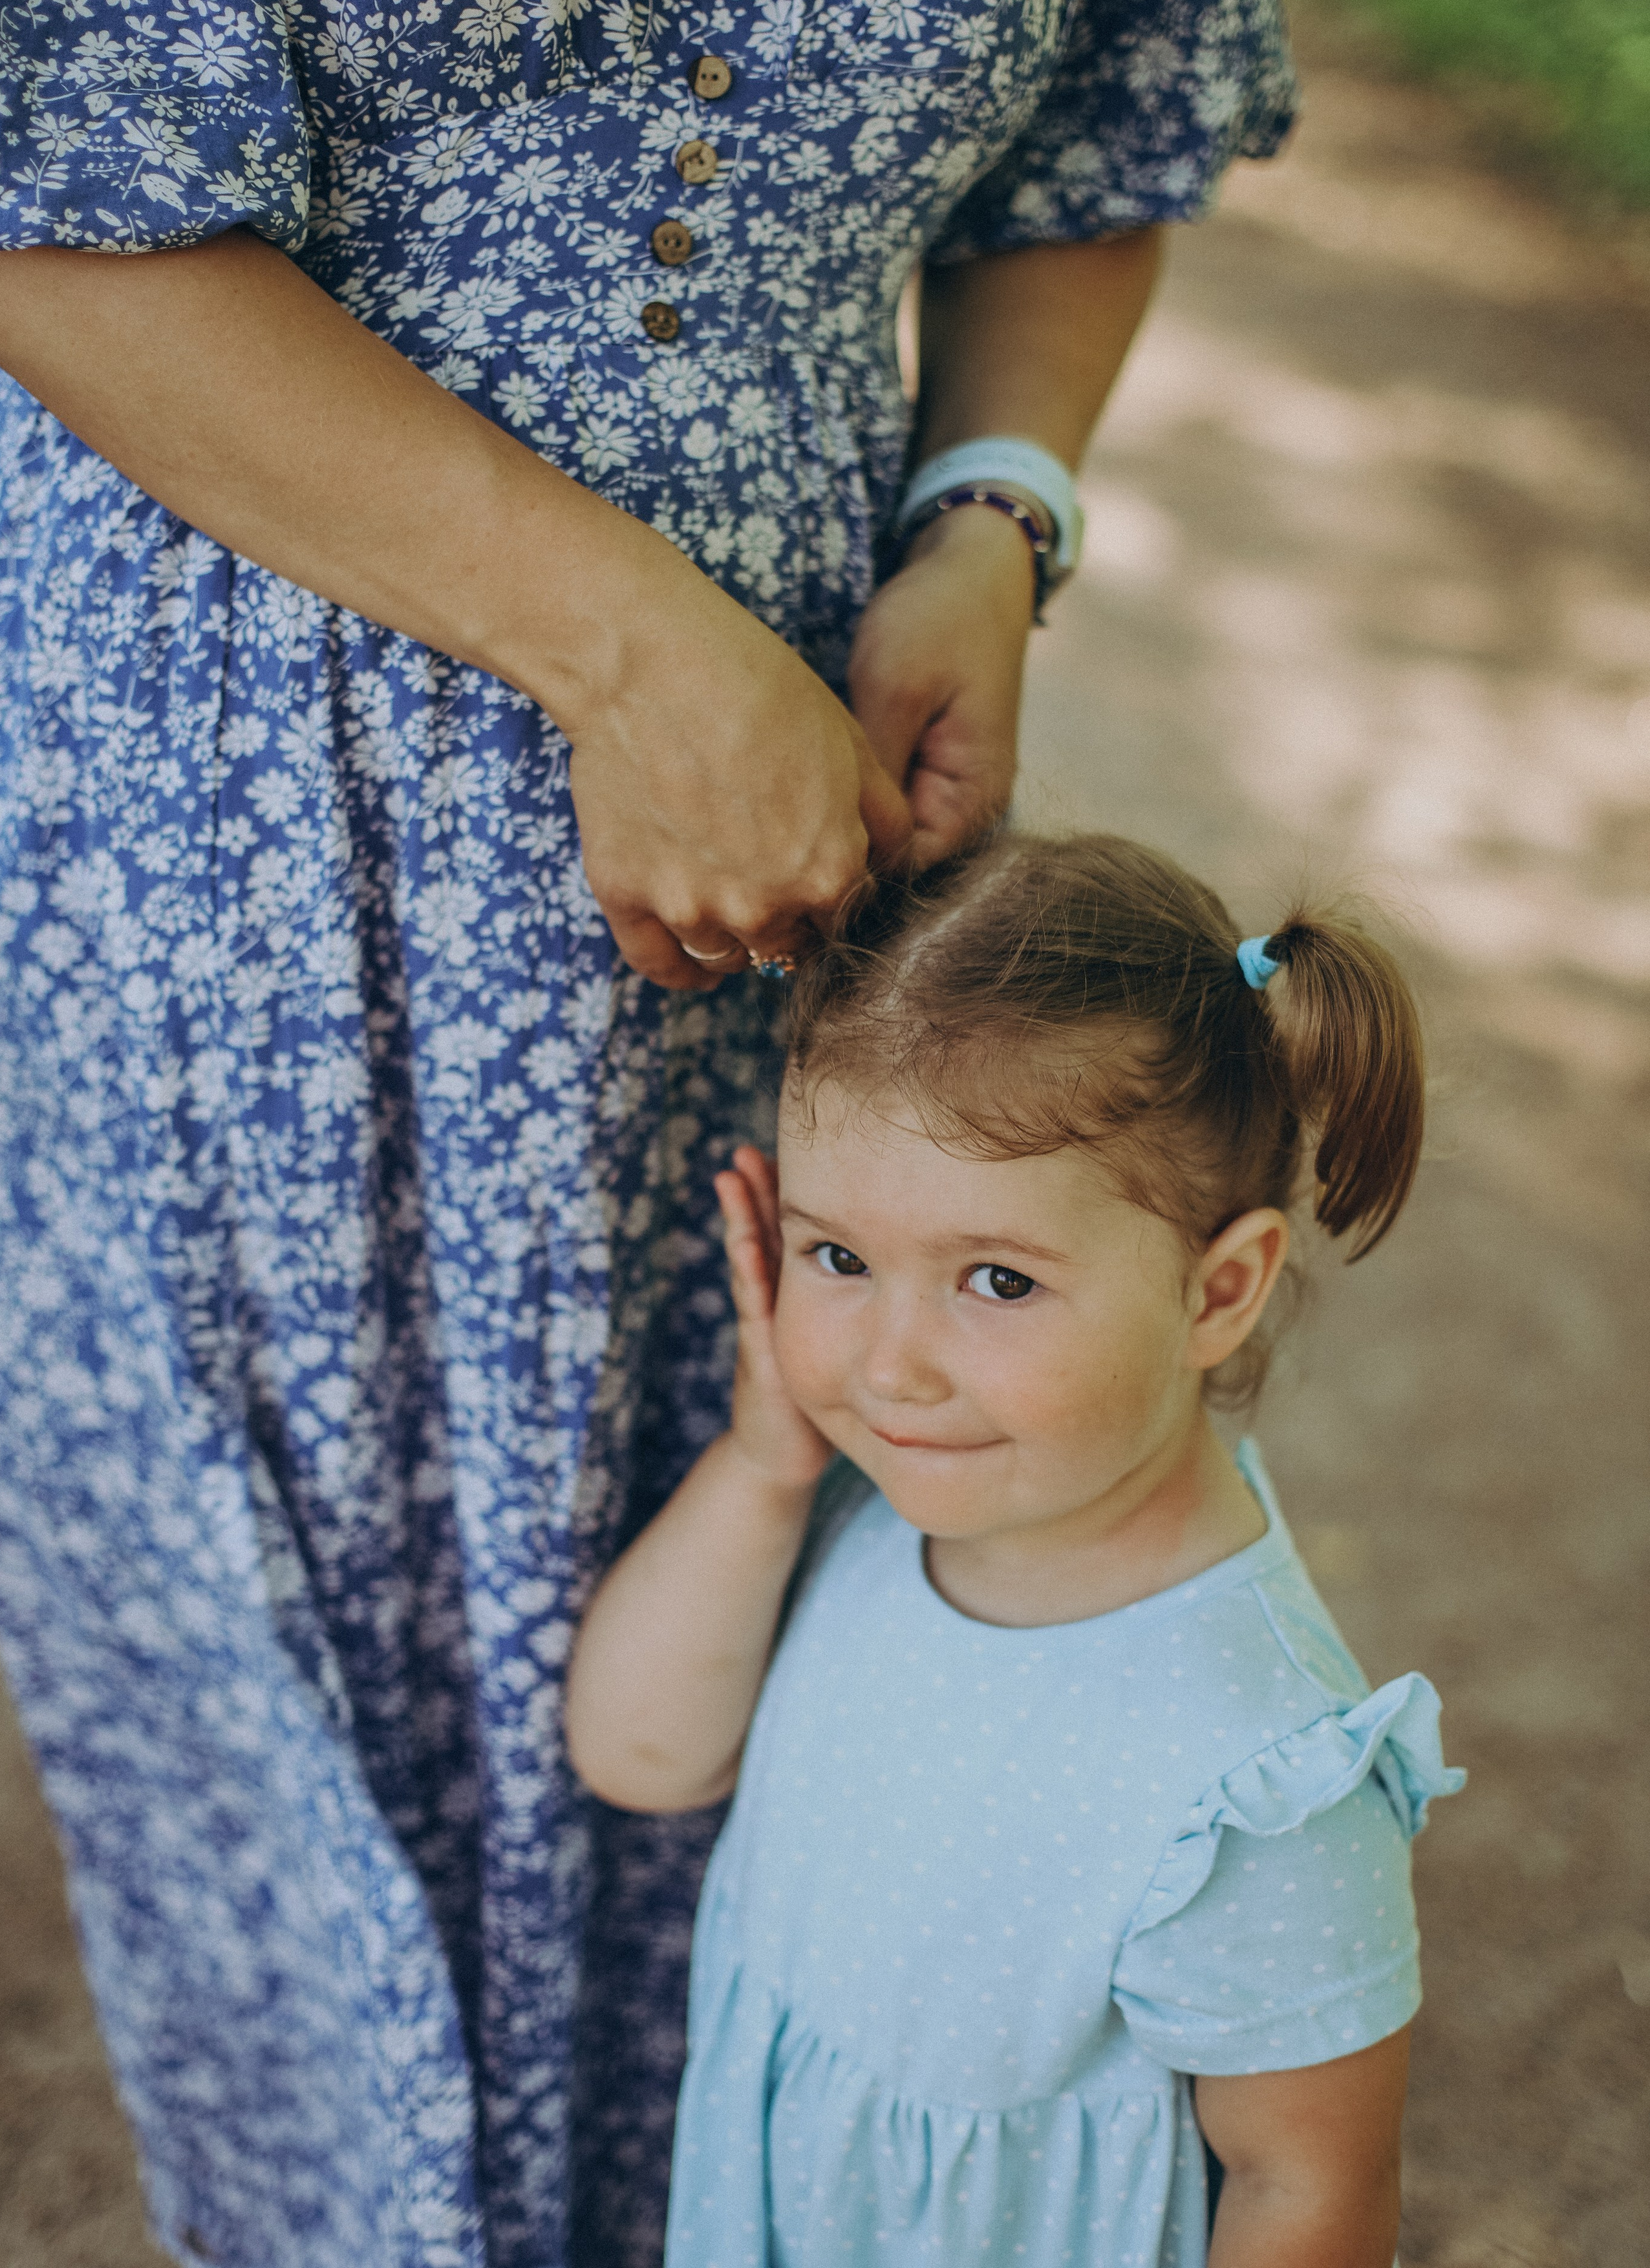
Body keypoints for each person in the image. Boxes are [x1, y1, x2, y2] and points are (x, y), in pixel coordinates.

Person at [0, 0, 1294, 2258]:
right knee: (326, 1682)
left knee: (753, 1526)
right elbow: (50, 197)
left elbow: (1109, 120)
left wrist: (988, 513)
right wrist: (622, 650)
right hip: (231, 841)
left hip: (773, 864)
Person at [567, 832, 1466, 2268]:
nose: (890, 1365)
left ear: (1216, 1291)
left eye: (996, 1279)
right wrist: (762, 1460)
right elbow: (634, 1752)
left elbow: (1309, 2188)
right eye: (838, 1259)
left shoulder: (1256, 1780)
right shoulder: (866, 1510)